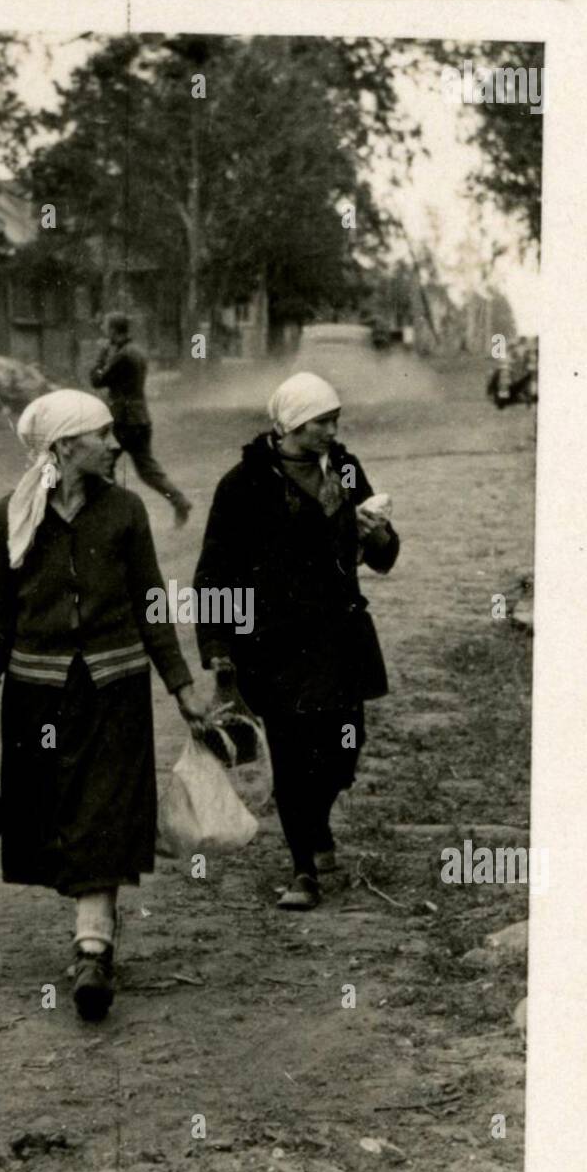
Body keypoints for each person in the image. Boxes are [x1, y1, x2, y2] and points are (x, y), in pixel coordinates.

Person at [0, 389, 208, 1020]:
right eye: (101, 435)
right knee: (55, 817)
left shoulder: (125, 511)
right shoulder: (9, 517)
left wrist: (182, 688)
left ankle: (93, 947)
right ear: (66, 446)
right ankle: (91, 933)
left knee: (105, 810)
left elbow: (152, 604)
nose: (113, 444)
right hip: (36, 694)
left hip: (114, 689)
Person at [193, 371, 400, 911]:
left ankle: (319, 824)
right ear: (289, 425)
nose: (332, 431)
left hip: (339, 636)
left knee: (343, 751)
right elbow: (215, 571)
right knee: (291, 754)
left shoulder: (346, 470)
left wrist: (377, 534)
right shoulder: (243, 484)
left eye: (335, 420)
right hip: (273, 644)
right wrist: (218, 650)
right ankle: (303, 867)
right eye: (320, 423)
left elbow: (383, 554)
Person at [89, 311, 192, 527]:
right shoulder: (136, 351)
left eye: (106, 327)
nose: (103, 330)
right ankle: (179, 501)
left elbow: (97, 380)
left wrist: (101, 355)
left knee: (101, 464)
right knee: (147, 470)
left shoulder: (122, 355)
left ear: (114, 330)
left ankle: (113, 516)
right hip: (140, 418)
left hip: (123, 421)